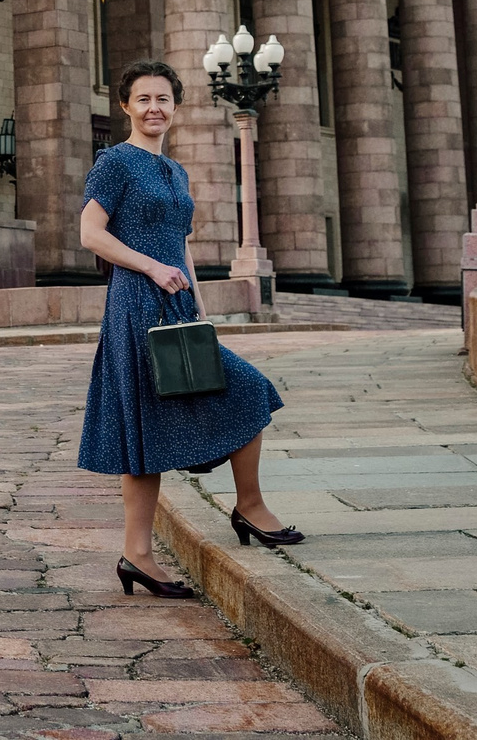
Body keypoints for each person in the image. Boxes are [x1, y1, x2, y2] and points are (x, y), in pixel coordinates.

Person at [78, 58, 301, 598]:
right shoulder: (115, 163)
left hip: (180, 308)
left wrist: (201, 312)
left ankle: (249, 505)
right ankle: (137, 555)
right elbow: (90, 233)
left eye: (163, 99)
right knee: (143, 431)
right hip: (136, 307)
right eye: (143, 99)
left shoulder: (176, 171)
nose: (154, 108)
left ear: (175, 107)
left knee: (248, 390)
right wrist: (151, 268)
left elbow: (182, 246)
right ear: (126, 106)